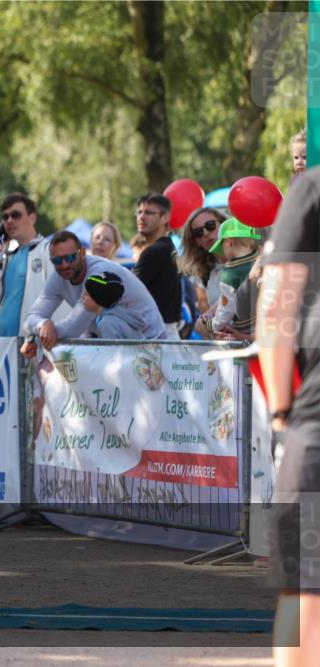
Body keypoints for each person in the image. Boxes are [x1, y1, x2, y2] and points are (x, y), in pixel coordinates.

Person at [256, 166, 320, 667]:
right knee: (307, 588)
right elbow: (277, 306)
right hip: (316, 422)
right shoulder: (312, 191)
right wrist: (281, 416)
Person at [21, 230, 166, 356]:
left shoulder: (98, 273)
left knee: (107, 323)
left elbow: (74, 327)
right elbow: (30, 319)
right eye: (57, 260)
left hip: (153, 343)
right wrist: (42, 325)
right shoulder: (57, 278)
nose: (64, 264)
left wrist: (40, 337)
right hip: (123, 340)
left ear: (83, 253)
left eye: (70, 257)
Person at [0, 193, 58, 337]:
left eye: (15, 215)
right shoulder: (6, 257)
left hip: (33, 347)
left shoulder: (48, 251)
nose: (9, 221)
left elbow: (59, 300)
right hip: (3, 347)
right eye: (5, 217)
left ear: (32, 218)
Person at [133, 193, 181, 337]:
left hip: (156, 335)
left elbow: (126, 289)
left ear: (165, 217)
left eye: (148, 212)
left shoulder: (156, 251)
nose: (141, 217)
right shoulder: (167, 247)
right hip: (163, 332)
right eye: (139, 212)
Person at [206, 218, 261, 338]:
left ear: (228, 242)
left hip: (245, 330)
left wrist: (213, 324)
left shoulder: (230, 273)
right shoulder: (260, 259)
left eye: (221, 247)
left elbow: (227, 308)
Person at [80, 271, 156, 340]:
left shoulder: (107, 324)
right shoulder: (119, 315)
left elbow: (112, 353)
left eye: (87, 294)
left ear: (97, 298)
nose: (82, 297)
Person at [179, 207, 226, 315]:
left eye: (210, 225)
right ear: (196, 242)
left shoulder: (248, 258)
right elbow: (203, 304)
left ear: (224, 224)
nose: (205, 233)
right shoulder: (203, 272)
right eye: (198, 232)